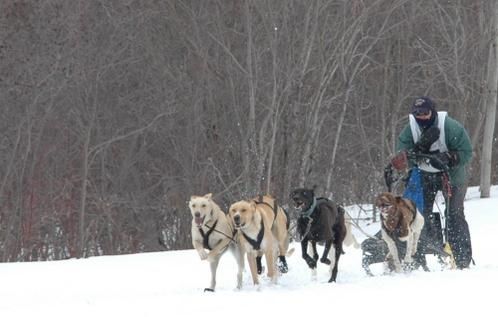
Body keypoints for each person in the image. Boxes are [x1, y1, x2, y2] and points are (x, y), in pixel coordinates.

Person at [395, 96, 473, 269]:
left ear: (433, 111)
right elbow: (401, 151)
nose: (421, 116)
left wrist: (450, 157)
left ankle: (461, 257)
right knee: (418, 215)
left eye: (425, 112)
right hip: (424, 174)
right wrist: (407, 156)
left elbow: (467, 151)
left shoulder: (450, 127)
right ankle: (417, 255)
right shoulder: (411, 130)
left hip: (452, 174)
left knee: (454, 213)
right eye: (417, 113)